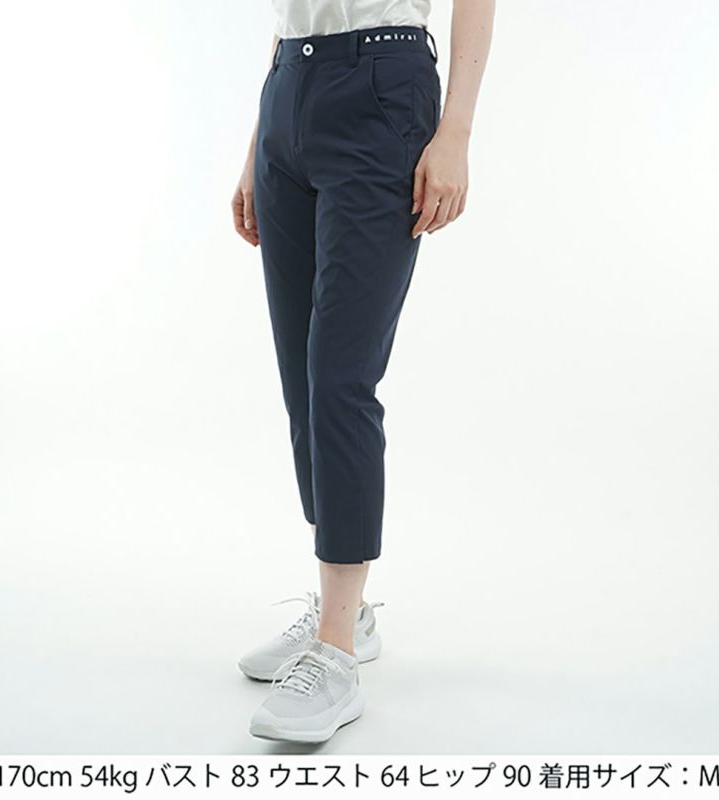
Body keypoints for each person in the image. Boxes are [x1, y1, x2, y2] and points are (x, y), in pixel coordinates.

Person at [232, 0, 495, 743]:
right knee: (302, 383)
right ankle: (345, 607)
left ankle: (337, 653)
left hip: (383, 86)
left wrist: (456, 133)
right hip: (288, 88)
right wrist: (257, 145)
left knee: (340, 380)